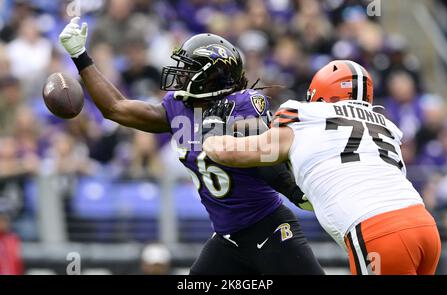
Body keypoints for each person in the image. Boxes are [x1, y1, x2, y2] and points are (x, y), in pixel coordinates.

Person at [59, 17, 323, 274]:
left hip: (269, 229)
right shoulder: (178, 106)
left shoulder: (242, 104)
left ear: (212, 76)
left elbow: (269, 155)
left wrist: (295, 190)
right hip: (227, 238)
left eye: (189, 69)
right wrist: (81, 56)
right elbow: (116, 108)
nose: (181, 74)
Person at [203, 60, 441, 275]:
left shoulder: (305, 117)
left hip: (379, 231)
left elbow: (231, 154)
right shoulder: (386, 126)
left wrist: (211, 131)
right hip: (423, 225)